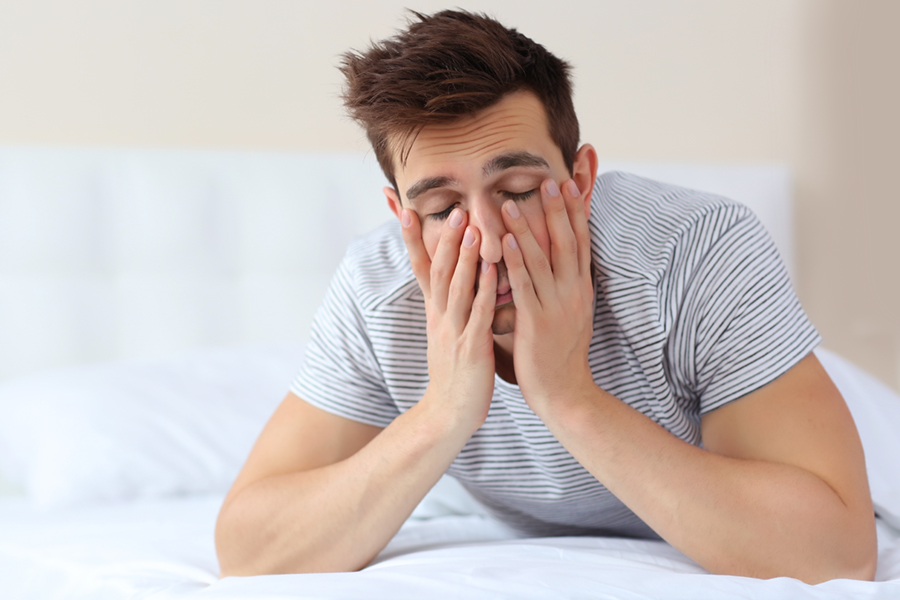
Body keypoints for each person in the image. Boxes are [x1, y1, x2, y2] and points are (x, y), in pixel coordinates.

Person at [214, 10, 876, 583]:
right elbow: (249, 551)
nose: (492, 242)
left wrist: (568, 397)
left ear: (581, 178)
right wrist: (442, 414)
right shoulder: (379, 293)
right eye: (443, 207)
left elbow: (837, 555)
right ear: (400, 215)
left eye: (520, 192)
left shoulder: (693, 254)